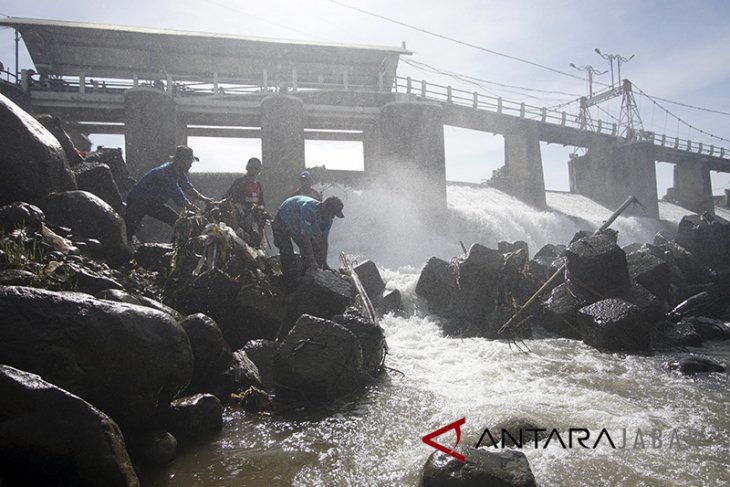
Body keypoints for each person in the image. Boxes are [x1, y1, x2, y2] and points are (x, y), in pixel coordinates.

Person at [125, 146, 212, 241]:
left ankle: (178, 246)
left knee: (176, 221)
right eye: (189, 163)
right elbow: (177, 194)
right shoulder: (165, 173)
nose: (190, 166)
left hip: (153, 203)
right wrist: (192, 207)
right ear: (181, 161)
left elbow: (188, 188)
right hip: (137, 201)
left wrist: (205, 199)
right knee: (130, 228)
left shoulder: (179, 172)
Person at [272, 195, 344, 290]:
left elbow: (324, 241)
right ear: (327, 208)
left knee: (316, 254)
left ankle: (306, 281)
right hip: (284, 218)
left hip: (298, 226)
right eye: (333, 214)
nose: (333, 217)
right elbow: (305, 238)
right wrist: (312, 261)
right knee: (287, 253)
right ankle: (290, 287)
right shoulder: (309, 209)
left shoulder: (328, 219)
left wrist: (324, 263)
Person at [221, 157, 267, 246]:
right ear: (247, 168)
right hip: (240, 216)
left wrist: (261, 209)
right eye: (252, 168)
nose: (254, 171)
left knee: (258, 236)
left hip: (255, 217)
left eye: (257, 168)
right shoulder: (239, 182)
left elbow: (261, 202)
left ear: (259, 170)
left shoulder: (258, 185)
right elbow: (229, 197)